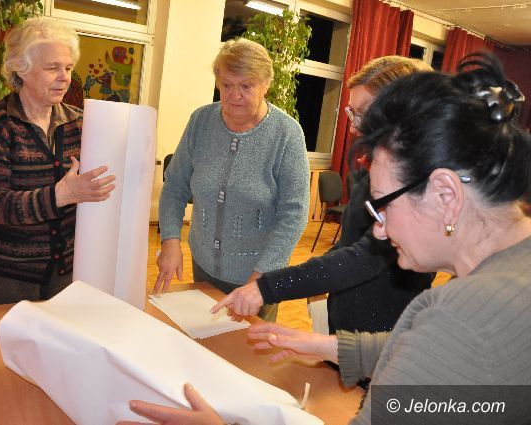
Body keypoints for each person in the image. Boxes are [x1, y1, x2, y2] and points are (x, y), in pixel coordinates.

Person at [119, 52, 531, 424]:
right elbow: (419, 350)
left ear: (446, 195)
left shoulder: (460, 320)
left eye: (383, 205)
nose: (378, 231)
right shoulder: (494, 287)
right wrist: (328, 346)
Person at [212, 56, 434, 336]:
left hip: (382, 338)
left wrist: (267, 288)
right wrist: (316, 281)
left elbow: (362, 258)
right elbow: (350, 242)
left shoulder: (419, 185)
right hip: (345, 327)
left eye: (364, 113)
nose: (353, 127)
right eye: (352, 113)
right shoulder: (379, 170)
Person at [154, 38, 310, 322]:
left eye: (246, 86)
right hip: (203, 265)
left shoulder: (287, 134)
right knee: (204, 336)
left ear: (266, 84)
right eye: (226, 85)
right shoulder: (201, 121)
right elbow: (175, 185)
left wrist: (260, 280)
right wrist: (170, 239)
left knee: (246, 347)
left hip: (258, 276)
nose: (234, 95)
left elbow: (294, 214)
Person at [0, 17, 115, 306]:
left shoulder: (81, 122)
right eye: (52, 68)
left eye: (68, 67)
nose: (65, 77)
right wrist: (62, 194)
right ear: (20, 69)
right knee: (7, 335)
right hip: (7, 272)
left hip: (66, 268)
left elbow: (97, 185)